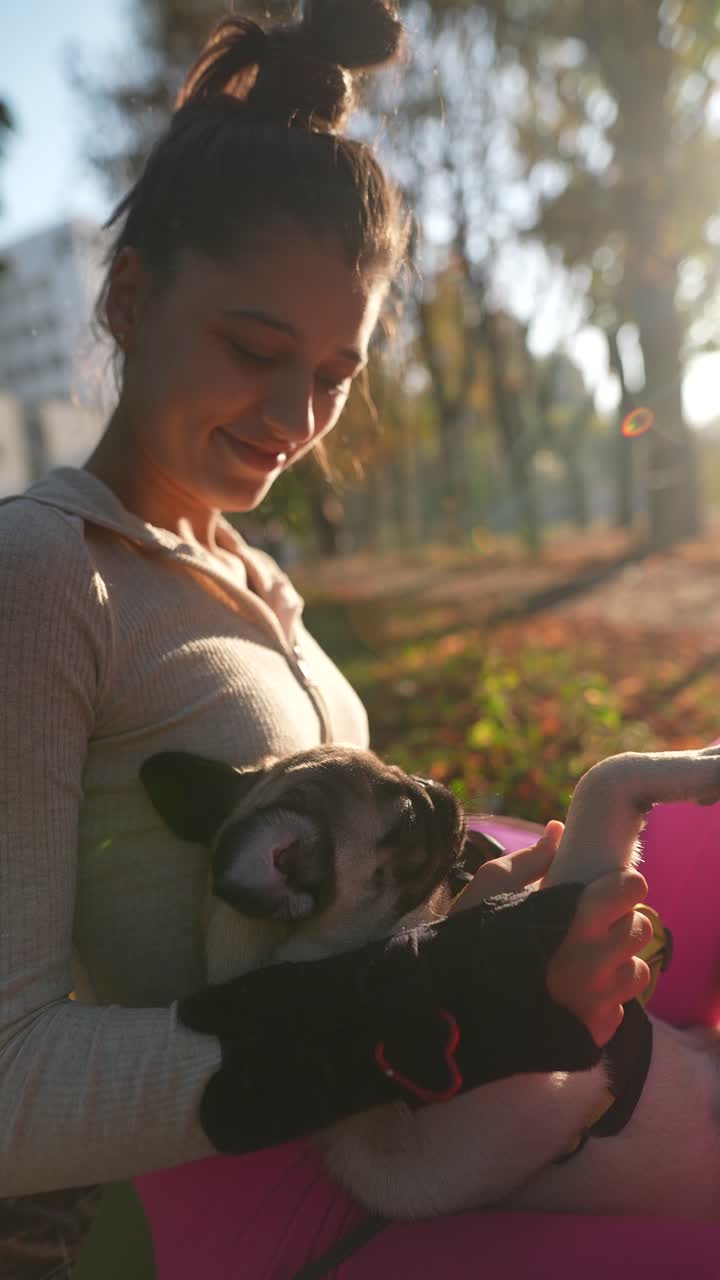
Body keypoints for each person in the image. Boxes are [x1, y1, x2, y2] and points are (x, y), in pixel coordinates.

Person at [0, 2, 656, 1273]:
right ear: (130, 299)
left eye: (337, 371)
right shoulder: (42, 575)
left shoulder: (261, 580)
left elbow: (330, 927)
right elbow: (10, 1086)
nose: (298, 416)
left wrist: (484, 916)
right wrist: (427, 1003)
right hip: (279, 1223)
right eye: (256, 349)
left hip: (423, 1153)